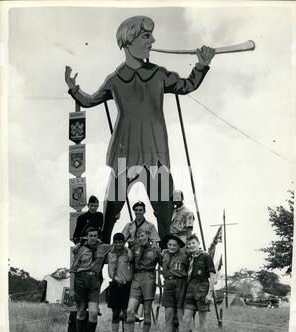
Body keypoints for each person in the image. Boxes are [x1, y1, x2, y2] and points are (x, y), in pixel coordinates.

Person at [65, 16, 215, 244]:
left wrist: (201, 65)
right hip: (124, 153)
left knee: (165, 213)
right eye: (146, 36)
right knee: (111, 210)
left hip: (156, 154)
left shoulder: (159, 74)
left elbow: (187, 85)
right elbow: (90, 100)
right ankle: (105, 255)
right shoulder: (115, 79)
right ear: (128, 41)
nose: (152, 41)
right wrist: (74, 89)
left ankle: (169, 259)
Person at [175, 235, 216, 332]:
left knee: (202, 320)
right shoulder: (190, 257)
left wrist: (209, 293)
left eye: (193, 243)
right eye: (189, 244)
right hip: (190, 287)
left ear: (198, 243)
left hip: (202, 287)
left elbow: (212, 275)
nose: (191, 246)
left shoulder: (206, 256)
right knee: (185, 318)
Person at [69, 227, 111, 332]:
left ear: (98, 237)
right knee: (81, 311)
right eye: (91, 236)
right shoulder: (81, 249)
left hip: (94, 281)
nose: (93, 238)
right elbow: (73, 270)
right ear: (86, 237)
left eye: (95, 236)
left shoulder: (102, 248)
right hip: (81, 280)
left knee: (93, 312)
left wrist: (102, 243)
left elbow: (117, 246)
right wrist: (72, 289)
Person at [125, 229, 162, 332]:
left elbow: (164, 263)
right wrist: (127, 249)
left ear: (148, 236)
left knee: (146, 312)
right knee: (130, 310)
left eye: (143, 236)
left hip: (149, 277)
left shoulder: (155, 249)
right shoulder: (135, 247)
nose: (141, 238)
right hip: (136, 277)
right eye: (139, 236)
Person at [161, 234, 189, 332]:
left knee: (180, 316)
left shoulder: (184, 256)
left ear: (178, 246)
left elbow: (188, 270)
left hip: (180, 284)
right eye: (170, 245)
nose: (172, 247)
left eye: (174, 245)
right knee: (168, 316)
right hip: (168, 285)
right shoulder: (165, 255)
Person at [106, 233, 134, 332]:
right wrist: (116, 279)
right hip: (115, 285)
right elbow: (110, 271)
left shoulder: (128, 254)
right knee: (115, 313)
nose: (118, 244)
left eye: (120, 242)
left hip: (127, 286)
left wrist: (128, 249)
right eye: (116, 242)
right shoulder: (110, 254)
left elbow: (132, 262)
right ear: (113, 243)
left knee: (126, 313)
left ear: (124, 242)